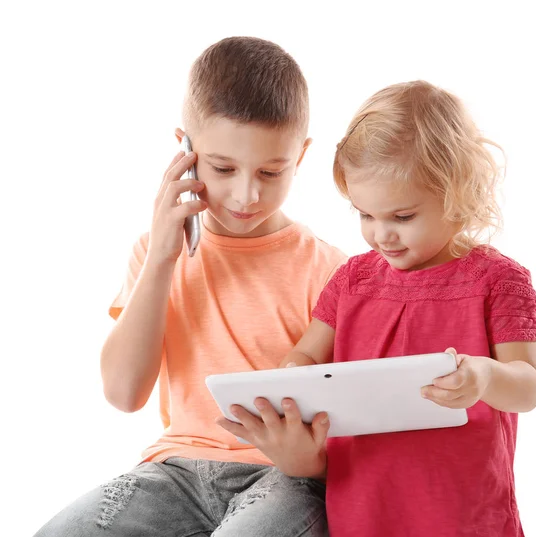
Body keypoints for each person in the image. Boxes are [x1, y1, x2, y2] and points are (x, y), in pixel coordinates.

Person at [34, 36, 346, 537]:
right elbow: (123, 392)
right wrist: (162, 256)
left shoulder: (331, 270)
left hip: (284, 478)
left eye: (271, 171)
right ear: (186, 149)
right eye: (223, 168)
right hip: (175, 471)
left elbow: (348, 416)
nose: (247, 194)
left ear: (301, 156)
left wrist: (313, 461)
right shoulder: (155, 252)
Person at [219, 80, 536, 537]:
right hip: (363, 503)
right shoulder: (353, 279)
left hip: (460, 508)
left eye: (402, 217)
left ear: (458, 193)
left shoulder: (497, 280)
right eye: (366, 215)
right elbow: (306, 355)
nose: (381, 235)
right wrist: (291, 381)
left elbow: (528, 388)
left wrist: (483, 375)